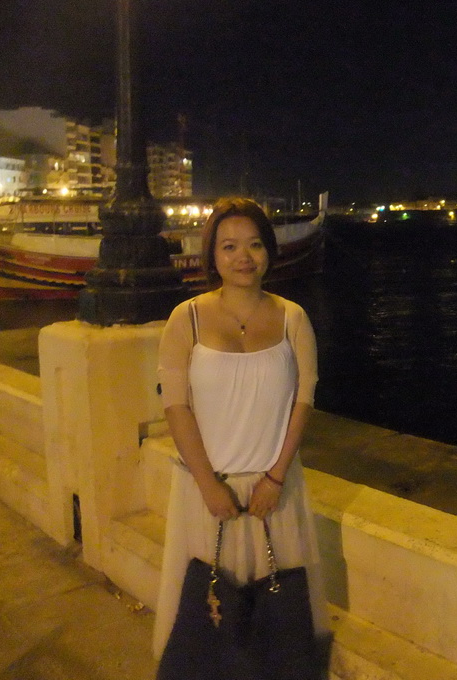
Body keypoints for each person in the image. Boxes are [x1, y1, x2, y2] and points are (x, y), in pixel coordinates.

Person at [152, 197, 329, 662]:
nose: (243, 257)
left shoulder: (293, 318)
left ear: (269, 251)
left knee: (278, 622)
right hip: (208, 493)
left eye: (253, 245)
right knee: (207, 621)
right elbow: (176, 407)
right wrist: (208, 485)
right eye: (229, 246)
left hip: (275, 492)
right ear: (212, 254)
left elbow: (303, 401)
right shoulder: (185, 318)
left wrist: (275, 477)